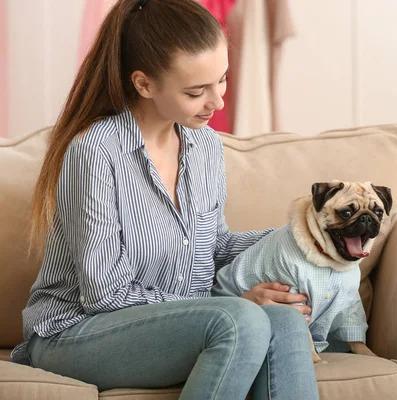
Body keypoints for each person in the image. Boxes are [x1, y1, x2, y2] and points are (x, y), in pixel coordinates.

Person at [10, 0, 319, 399]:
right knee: (238, 320)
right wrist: (224, 301)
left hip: (172, 322)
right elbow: (105, 293)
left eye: (222, 80)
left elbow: (214, 245)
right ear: (144, 84)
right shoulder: (96, 152)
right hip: (73, 331)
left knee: (285, 321)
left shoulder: (205, 145)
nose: (218, 102)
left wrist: (304, 236)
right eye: (196, 91)